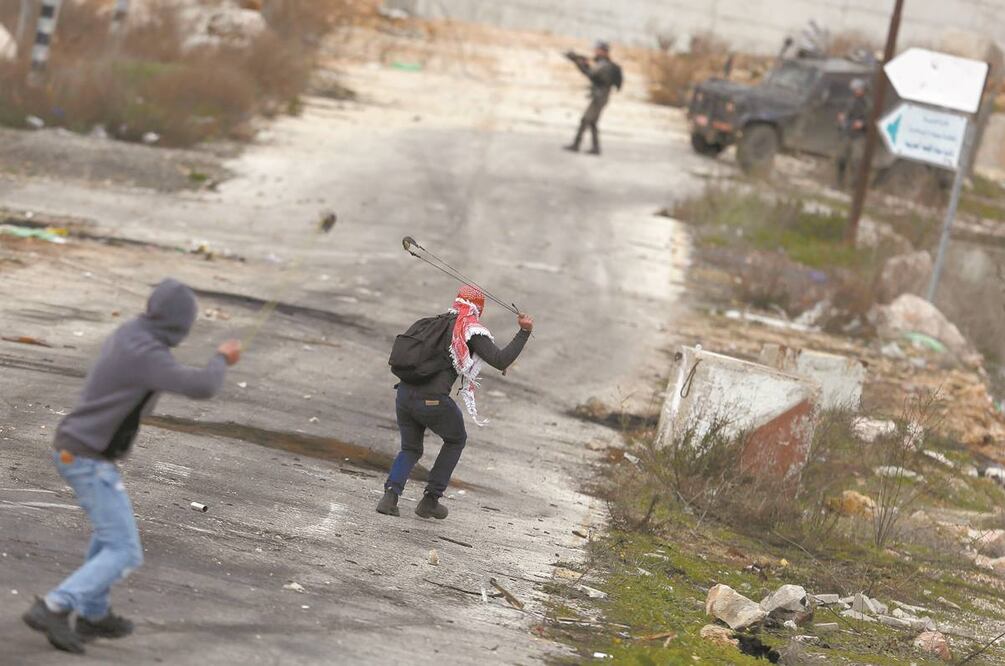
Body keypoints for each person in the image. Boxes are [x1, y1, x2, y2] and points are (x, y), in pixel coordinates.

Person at [23, 278, 242, 654]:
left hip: (83, 452)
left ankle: (94, 613)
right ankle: (55, 605)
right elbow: (202, 385)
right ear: (180, 323)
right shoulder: (146, 353)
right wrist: (221, 358)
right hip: (86, 458)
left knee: (110, 537)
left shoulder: (134, 334)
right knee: (125, 550)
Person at [378, 285, 533, 520]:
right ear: (478, 308)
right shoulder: (469, 330)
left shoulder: (429, 323)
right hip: (432, 401)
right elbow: (501, 360)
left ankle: (389, 498)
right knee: (456, 439)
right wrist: (524, 332)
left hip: (404, 395)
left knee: (410, 448)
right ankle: (430, 500)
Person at [564, 40, 623, 155]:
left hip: (600, 96)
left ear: (604, 52)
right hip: (599, 95)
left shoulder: (606, 65)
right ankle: (595, 148)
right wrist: (579, 62)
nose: (596, 52)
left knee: (586, 119)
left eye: (598, 50)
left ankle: (577, 145)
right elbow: (591, 72)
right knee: (592, 122)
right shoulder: (601, 63)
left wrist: (579, 63)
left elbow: (591, 75)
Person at [835, 77, 871, 189]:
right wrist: (842, 118)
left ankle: (855, 186)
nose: (856, 91)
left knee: (856, 161)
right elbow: (845, 112)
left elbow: (871, 119)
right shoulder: (850, 100)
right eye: (855, 89)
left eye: (858, 89)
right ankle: (839, 183)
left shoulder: (868, 103)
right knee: (841, 158)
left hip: (859, 136)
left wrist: (863, 124)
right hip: (847, 132)